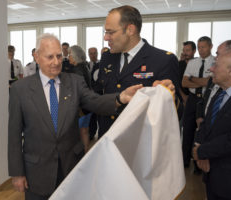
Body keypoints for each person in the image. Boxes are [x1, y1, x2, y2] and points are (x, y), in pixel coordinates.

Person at [8, 33, 144, 199]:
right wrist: (17, 173)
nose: (56, 62)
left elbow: (95, 101)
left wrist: (120, 98)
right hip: (37, 171)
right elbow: (14, 134)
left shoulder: (74, 82)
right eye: (50, 57)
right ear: (36, 57)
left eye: (59, 56)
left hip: (70, 167)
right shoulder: (20, 89)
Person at [97, 5, 180, 139]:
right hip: (108, 138)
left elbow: (176, 111)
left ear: (130, 30)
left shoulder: (163, 60)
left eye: (110, 32)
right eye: (105, 32)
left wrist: (170, 96)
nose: (106, 38)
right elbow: (99, 95)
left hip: (140, 143)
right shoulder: (107, 57)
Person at [193, 52, 231, 199]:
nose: (211, 69)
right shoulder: (220, 94)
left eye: (216, 65)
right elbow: (205, 125)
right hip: (213, 175)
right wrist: (199, 149)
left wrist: (202, 151)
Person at [181, 36, 214, 171]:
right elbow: (184, 83)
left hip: (207, 99)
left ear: (210, 46)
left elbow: (209, 83)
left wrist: (193, 78)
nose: (200, 50)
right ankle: (184, 161)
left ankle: (198, 165)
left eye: (203, 47)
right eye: (199, 47)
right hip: (193, 98)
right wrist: (201, 80)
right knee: (187, 130)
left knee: (202, 132)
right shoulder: (192, 63)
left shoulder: (215, 62)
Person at [195, 40, 231, 128]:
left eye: (218, 54)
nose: (215, 57)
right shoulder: (215, 78)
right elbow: (205, 98)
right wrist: (200, 117)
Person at [68, 45, 92, 151]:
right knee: (84, 131)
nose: (68, 57)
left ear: (75, 56)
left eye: (69, 54)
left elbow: (76, 91)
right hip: (87, 104)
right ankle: (85, 155)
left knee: (77, 133)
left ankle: (79, 159)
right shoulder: (84, 66)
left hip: (80, 107)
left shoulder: (76, 70)